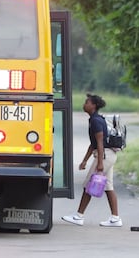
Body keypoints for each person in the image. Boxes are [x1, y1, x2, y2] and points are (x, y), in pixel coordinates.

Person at [62, 94, 122, 227]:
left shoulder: (96, 121)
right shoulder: (94, 119)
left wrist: (100, 163)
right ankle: (115, 218)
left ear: (93, 106)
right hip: (107, 154)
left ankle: (79, 216)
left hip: (104, 155)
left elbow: (100, 142)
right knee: (108, 186)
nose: (84, 104)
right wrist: (84, 160)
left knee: (89, 184)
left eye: (87, 102)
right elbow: (93, 144)